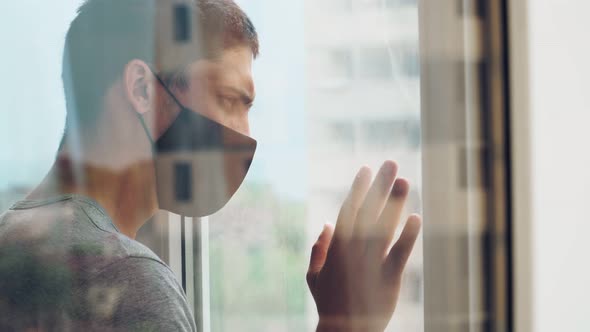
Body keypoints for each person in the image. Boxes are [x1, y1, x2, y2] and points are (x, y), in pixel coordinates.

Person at [0, 0, 422, 331]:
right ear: (142, 89)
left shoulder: (12, 244)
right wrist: (343, 324)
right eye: (228, 98)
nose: (245, 133)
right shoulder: (125, 279)